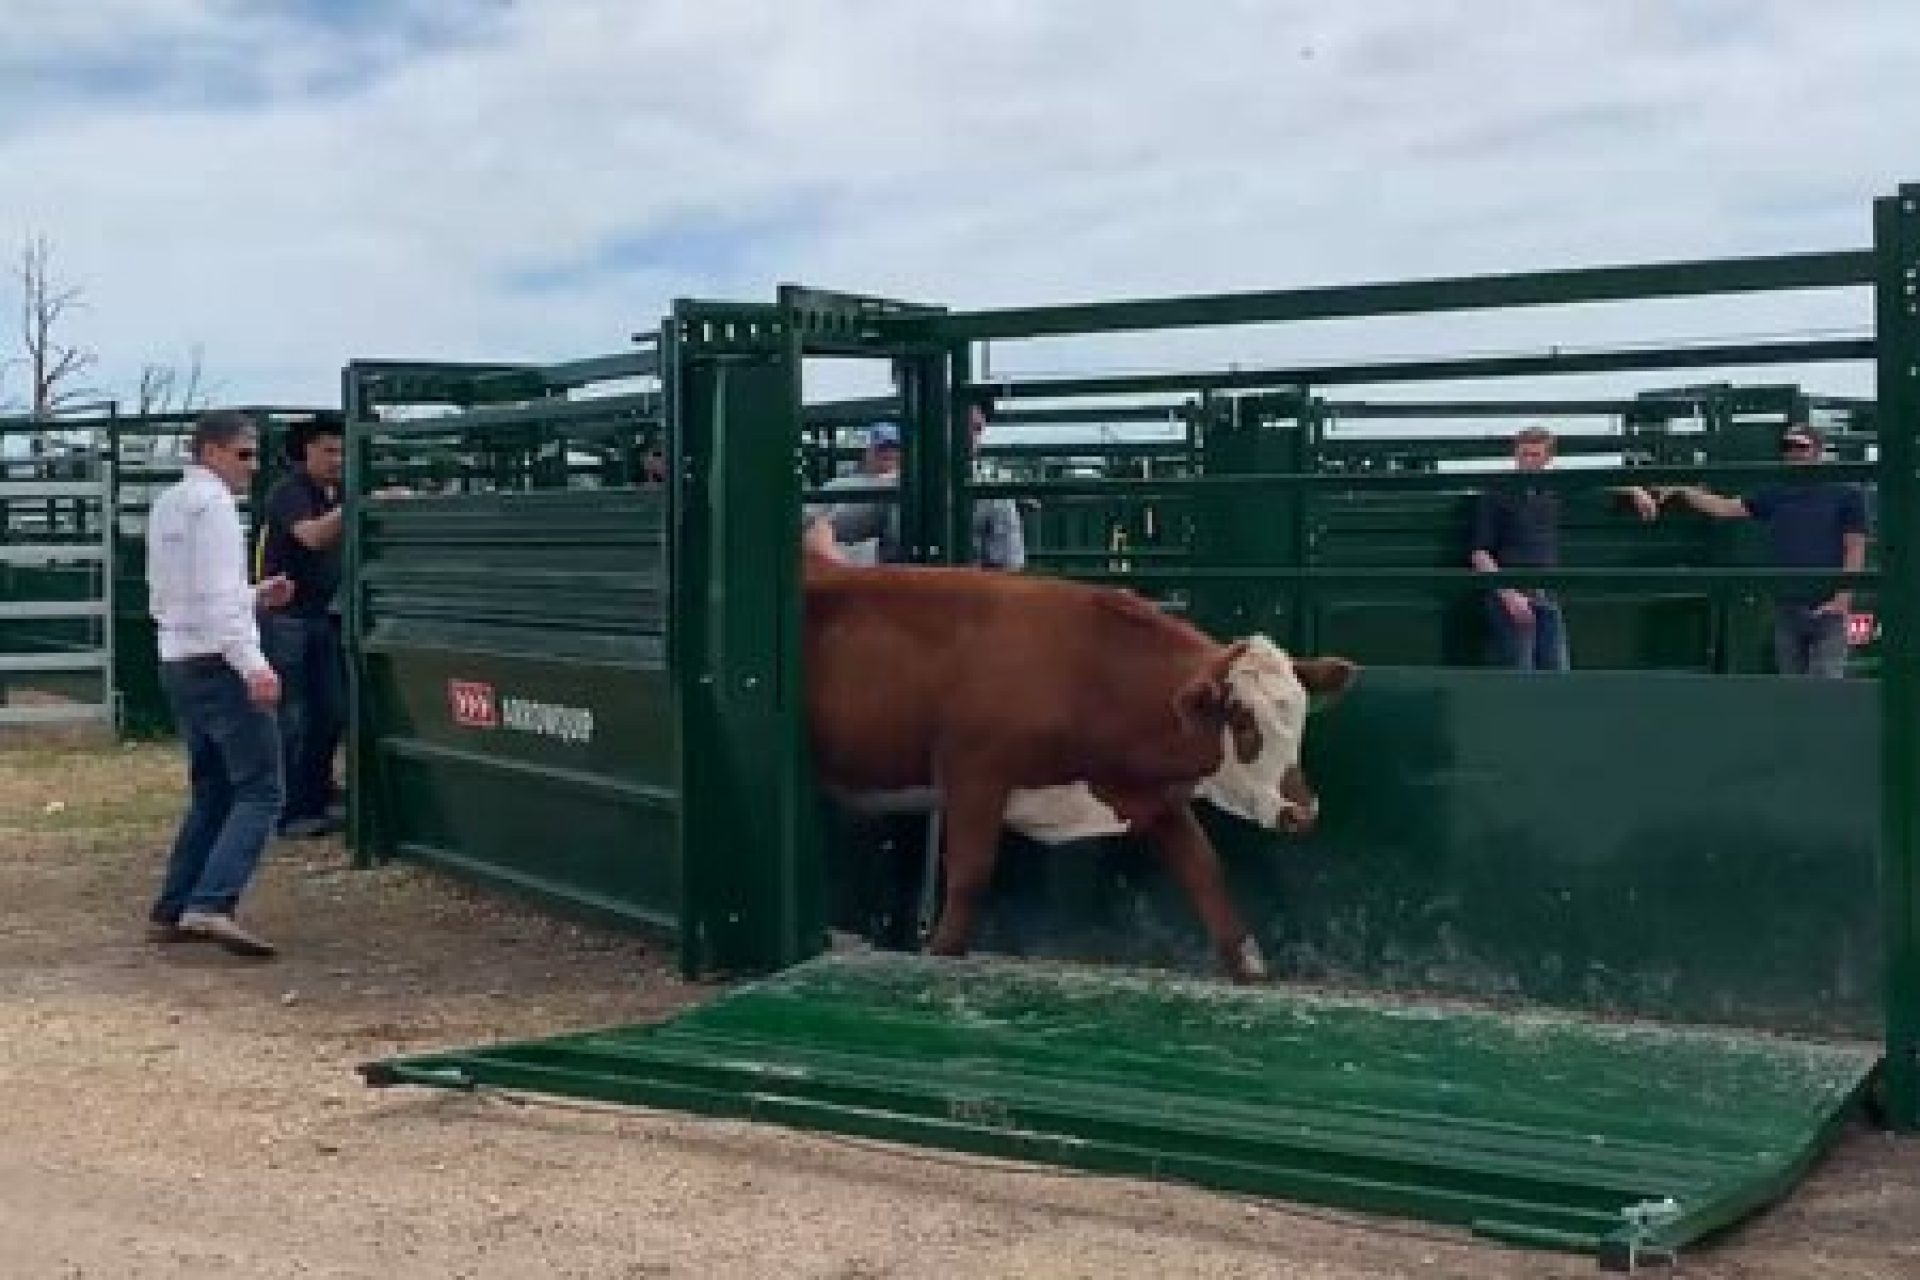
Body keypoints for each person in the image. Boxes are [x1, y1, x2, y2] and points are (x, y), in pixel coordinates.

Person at [145, 410, 294, 957]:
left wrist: (253, 594)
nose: (251, 467)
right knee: (261, 789)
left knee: (212, 789)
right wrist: (254, 663)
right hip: (220, 660)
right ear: (211, 452)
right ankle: (212, 904)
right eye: (244, 454)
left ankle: (175, 906)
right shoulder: (216, 510)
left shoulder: (168, 506)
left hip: (179, 657)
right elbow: (219, 603)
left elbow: (179, 594)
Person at [1664, 423, 1869, 677]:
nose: (1793, 452)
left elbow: (1855, 547)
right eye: (1787, 446)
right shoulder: (1775, 493)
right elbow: (1725, 508)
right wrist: (1684, 490)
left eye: (1800, 446)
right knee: (1790, 689)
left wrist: (1842, 599)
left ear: (1818, 450)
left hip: (1828, 608)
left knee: (1824, 690)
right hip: (1788, 608)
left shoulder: (1846, 494)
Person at [1469, 426, 1658, 671]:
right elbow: (1480, 553)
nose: (1527, 461)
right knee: (1520, 671)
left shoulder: (1553, 488)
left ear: (1548, 458)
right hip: (1512, 589)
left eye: (1535, 455)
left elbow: (1595, 480)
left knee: (1557, 670)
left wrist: (1634, 489)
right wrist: (1508, 595)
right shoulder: (1496, 494)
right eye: (1523, 454)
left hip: (1547, 590)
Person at [803, 396, 1026, 570]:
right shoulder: (895, 488)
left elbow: (1008, 575)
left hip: (965, 614)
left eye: (977, 429)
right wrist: (838, 568)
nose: (970, 437)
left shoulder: (995, 498)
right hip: (903, 615)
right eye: (959, 424)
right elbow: (817, 525)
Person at [256, 415, 347, 837]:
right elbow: (312, 537)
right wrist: (358, 506)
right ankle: (288, 809)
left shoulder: (338, 492)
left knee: (328, 711)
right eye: (328, 450)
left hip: (324, 616)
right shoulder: (289, 492)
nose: (337, 459)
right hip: (285, 619)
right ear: (306, 451)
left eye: (342, 450)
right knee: (291, 715)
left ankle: (318, 794)